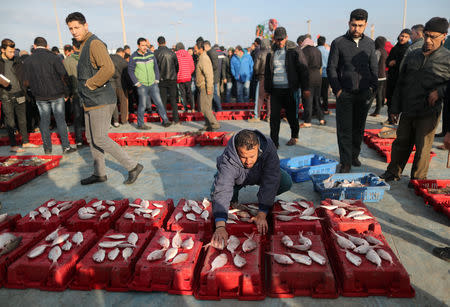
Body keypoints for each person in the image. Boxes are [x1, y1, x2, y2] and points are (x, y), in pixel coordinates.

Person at [66, 11, 143, 185]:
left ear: (86, 25)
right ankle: (99, 173)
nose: (74, 31)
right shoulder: (85, 44)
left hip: (100, 99)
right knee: (92, 139)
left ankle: (132, 166)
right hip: (90, 100)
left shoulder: (94, 44)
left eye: (77, 27)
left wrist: (90, 84)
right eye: (71, 28)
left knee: (100, 138)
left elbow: (108, 68)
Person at [379, 17, 450, 184]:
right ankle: (393, 172)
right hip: (409, 107)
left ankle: (418, 180)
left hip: (429, 111)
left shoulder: (447, 59)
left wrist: (439, 91)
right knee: (400, 142)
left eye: (433, 36)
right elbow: (400, 83)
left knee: (423, 147)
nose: (428, 40)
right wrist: (394, 108)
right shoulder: (413, 55)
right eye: (426, 35)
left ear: (444, 37)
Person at [210, 129, 292, 248]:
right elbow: (223, 188)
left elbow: (271, 179)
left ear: (258, 148)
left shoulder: (268, 147)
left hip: (260, 174)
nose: (248, 162)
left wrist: (263, 212)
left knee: (285, 181)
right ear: (237, 152)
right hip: (237, 178)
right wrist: (220, 226)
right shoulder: (228, 158)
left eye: (252, 156)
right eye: (243, 157)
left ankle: (264, 199)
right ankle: (233, 198)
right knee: (217, 192)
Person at [327, 8, 378, 173]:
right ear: (349, 23)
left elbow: (374, 68)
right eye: (354, 25)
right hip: (345, 93)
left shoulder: (370, 43)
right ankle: (346, 161)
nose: (356, 29)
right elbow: (331, 68)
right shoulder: (338, 42)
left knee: (359, 127)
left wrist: (372, 88)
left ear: (365, 25)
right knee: (344, 129)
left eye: (360, 26)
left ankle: (354, 155)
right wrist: (338, 90)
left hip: (364, 94)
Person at [23, 37, 76, 155]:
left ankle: (47, 148)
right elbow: (64, 76)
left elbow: (25, 81)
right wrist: (67, 92)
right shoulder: (54, 57)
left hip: (40, 96)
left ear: (34, 46)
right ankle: (66, 147)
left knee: (44, 121)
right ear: (47, 46)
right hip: (56, 94)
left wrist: (31, 95)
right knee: (60, 120)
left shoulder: (28, 61)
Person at [264, 27, 310, 148]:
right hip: (275, 91)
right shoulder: (271, 52)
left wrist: (305, 88)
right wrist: (267, 90)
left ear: (286, 37)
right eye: (277, 40)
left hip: (290, 89)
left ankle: (294, 136)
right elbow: (267, 72)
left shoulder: (294, 50)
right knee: (274, 118)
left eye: (282, 39)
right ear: (274, 39)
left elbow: (303, 69)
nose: (280, 42)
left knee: (291, 115)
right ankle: (274, 142)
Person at [0, 38, 38, 152]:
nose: (12, 54)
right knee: (10, 121)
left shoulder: (17, 60)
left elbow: (24, 76)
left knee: (22, 119)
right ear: (2, 50)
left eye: (13, 52)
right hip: (5, 95)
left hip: (20, 93)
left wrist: (25, 87)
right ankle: (13, 145)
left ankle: (25, 142)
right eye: (10, 52)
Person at [128, 37, 171, 129]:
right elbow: (130, 71)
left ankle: (165, 120)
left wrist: (156, 79)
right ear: (138, 46)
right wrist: (137, 83)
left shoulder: (151, 55)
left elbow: (156, 67)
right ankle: (140, 124)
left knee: (159, 102)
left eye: (145, 45)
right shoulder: (133, 57)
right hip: (142, 85)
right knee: (142, 105)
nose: (145, 47)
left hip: (152, 84)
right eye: (142, 45)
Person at [385, 29, 411, 124]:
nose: (402, 38)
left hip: (400, 78)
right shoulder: (395, 48)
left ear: (409, 38)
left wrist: (395, 62)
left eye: (405, 37)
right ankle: (390, 118)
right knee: (389, 98)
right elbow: (387, 61)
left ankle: (395, 119)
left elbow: (405, 63)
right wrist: (389, 62)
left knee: (397, 100)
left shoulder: (408, 49)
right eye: (402, 35)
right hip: (392, 77)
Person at [63, 38, 85, 148]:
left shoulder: (67, 61)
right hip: (89, 92)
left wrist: (69, 94)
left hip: (76, 92)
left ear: (73, 47)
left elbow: (66, 80)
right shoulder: (88, 57)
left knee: (77, 117)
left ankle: (79, 140)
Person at [194, 40, 220, 131]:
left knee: (205, 108)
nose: (195, 51)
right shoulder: (201, 58)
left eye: (196, 49)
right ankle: (208, 124)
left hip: (205, 87)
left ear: (201, 49)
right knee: (205, 107)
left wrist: (209, 88)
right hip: (203, 87)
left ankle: (214, 124)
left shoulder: (204, 59)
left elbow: (209, 75)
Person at [154, 36, 180, 124]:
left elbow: (154, 67)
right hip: (172, 78)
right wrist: (174, 74)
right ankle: (176, 119)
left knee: (163, 101)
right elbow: (177, 66)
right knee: (173, 100)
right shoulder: (172, 53)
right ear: (165, 42)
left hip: (161, 80)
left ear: (158, 43)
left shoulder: (156, 53)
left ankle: (165, 120)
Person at [300, 37, 325, 127]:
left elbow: (303, 66)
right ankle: (321, 118)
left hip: (308, 77)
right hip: (318, 77)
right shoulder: (318, 51)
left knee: (308, 100)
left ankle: (307, 121)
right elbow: (321, 65)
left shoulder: (304, 51)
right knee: (317, 99)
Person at [249, 38, 271, 122]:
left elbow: (256, 67)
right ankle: (269, 116)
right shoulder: (272, 53)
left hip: (261, 77)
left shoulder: (260, 53)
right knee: (269, 98)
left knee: (259, 98)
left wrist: (256, 74)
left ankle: (256, 116)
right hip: (270, 78)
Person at [110, 47, 130, 126]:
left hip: (111, 84)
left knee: (113, 102)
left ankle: (115, 120)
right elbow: (127, 76)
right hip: (122, 85)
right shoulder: (124, 62)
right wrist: (130, 87)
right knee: (124, 103)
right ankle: (124, 120)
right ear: (123, 53)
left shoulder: (109, 58)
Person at [369, 36, 388, 117]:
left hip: (377, 75)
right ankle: (377, 111)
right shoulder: (384, 51)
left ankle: (365, 109)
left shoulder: (378, 51)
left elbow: (374, 63)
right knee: (379, 94)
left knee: (372, 94)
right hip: (383, 75)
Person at [175, 42, 195, 112]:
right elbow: (192, 67)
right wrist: (189, 73)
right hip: (188, 77)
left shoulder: (176, 55)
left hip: (179, 78)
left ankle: (185, 108)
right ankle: (192, 108)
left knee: (182, 94)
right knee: (190, 93)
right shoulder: (189, 55)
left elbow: (174, 67)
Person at [204, 40, 222, 111]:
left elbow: (215, 65)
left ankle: (219, 109)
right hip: (213, 76)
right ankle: (216, 108)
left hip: (213, 77)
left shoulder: (211, 53)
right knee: (213, 94)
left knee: (214, 94)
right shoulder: (211, 52)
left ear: (206, 46)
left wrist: (207, 69)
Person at [317, 36, 330, 114]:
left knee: (317, 93)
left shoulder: (315, 50)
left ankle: (318, 108)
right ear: (324, 43)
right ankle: (325, 109)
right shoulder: (327, 52)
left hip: (316, 75)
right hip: (325, 74)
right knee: (325, 93)